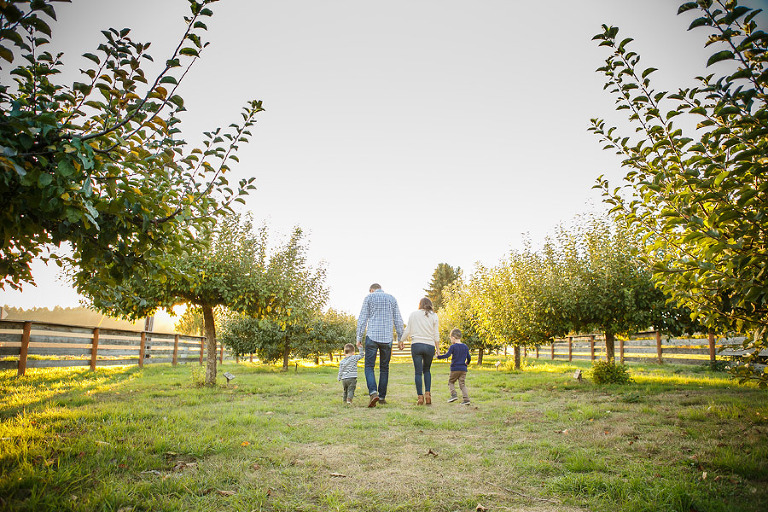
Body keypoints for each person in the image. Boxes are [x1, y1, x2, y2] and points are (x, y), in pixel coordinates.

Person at [356, 283, 404, 407]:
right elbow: (398, 319)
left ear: (372, 290)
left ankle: (373, 393)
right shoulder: (391, 298)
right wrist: (400, 338)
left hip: (372, 337)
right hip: (387, 338)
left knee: (369, 366)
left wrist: (358, 337)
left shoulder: (369, 298)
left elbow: (362, 319)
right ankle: (382, 397)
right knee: (384, 368)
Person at [399, 297, 439, 405]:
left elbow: (408, 330)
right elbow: (436, 334)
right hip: (430, 345)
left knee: (418, 372)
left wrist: (401, 340)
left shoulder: (413, 314)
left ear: (420, 304)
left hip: (417, 345)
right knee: (427, 370)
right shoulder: (434, 316)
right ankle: (428, 395)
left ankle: (420, 397)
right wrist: (438, 349)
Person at [437, 328, 471, 405]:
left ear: (453, 337)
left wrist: (439, 357)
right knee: (462, 384)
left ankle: (453, 395)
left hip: (455, 369)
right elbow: (469, 357)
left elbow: (447, 355)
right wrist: (467, 363)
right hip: (463, 369)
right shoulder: (465, 346)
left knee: (451, 382)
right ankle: (466, 399)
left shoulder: (453, 347)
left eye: (450, 338)